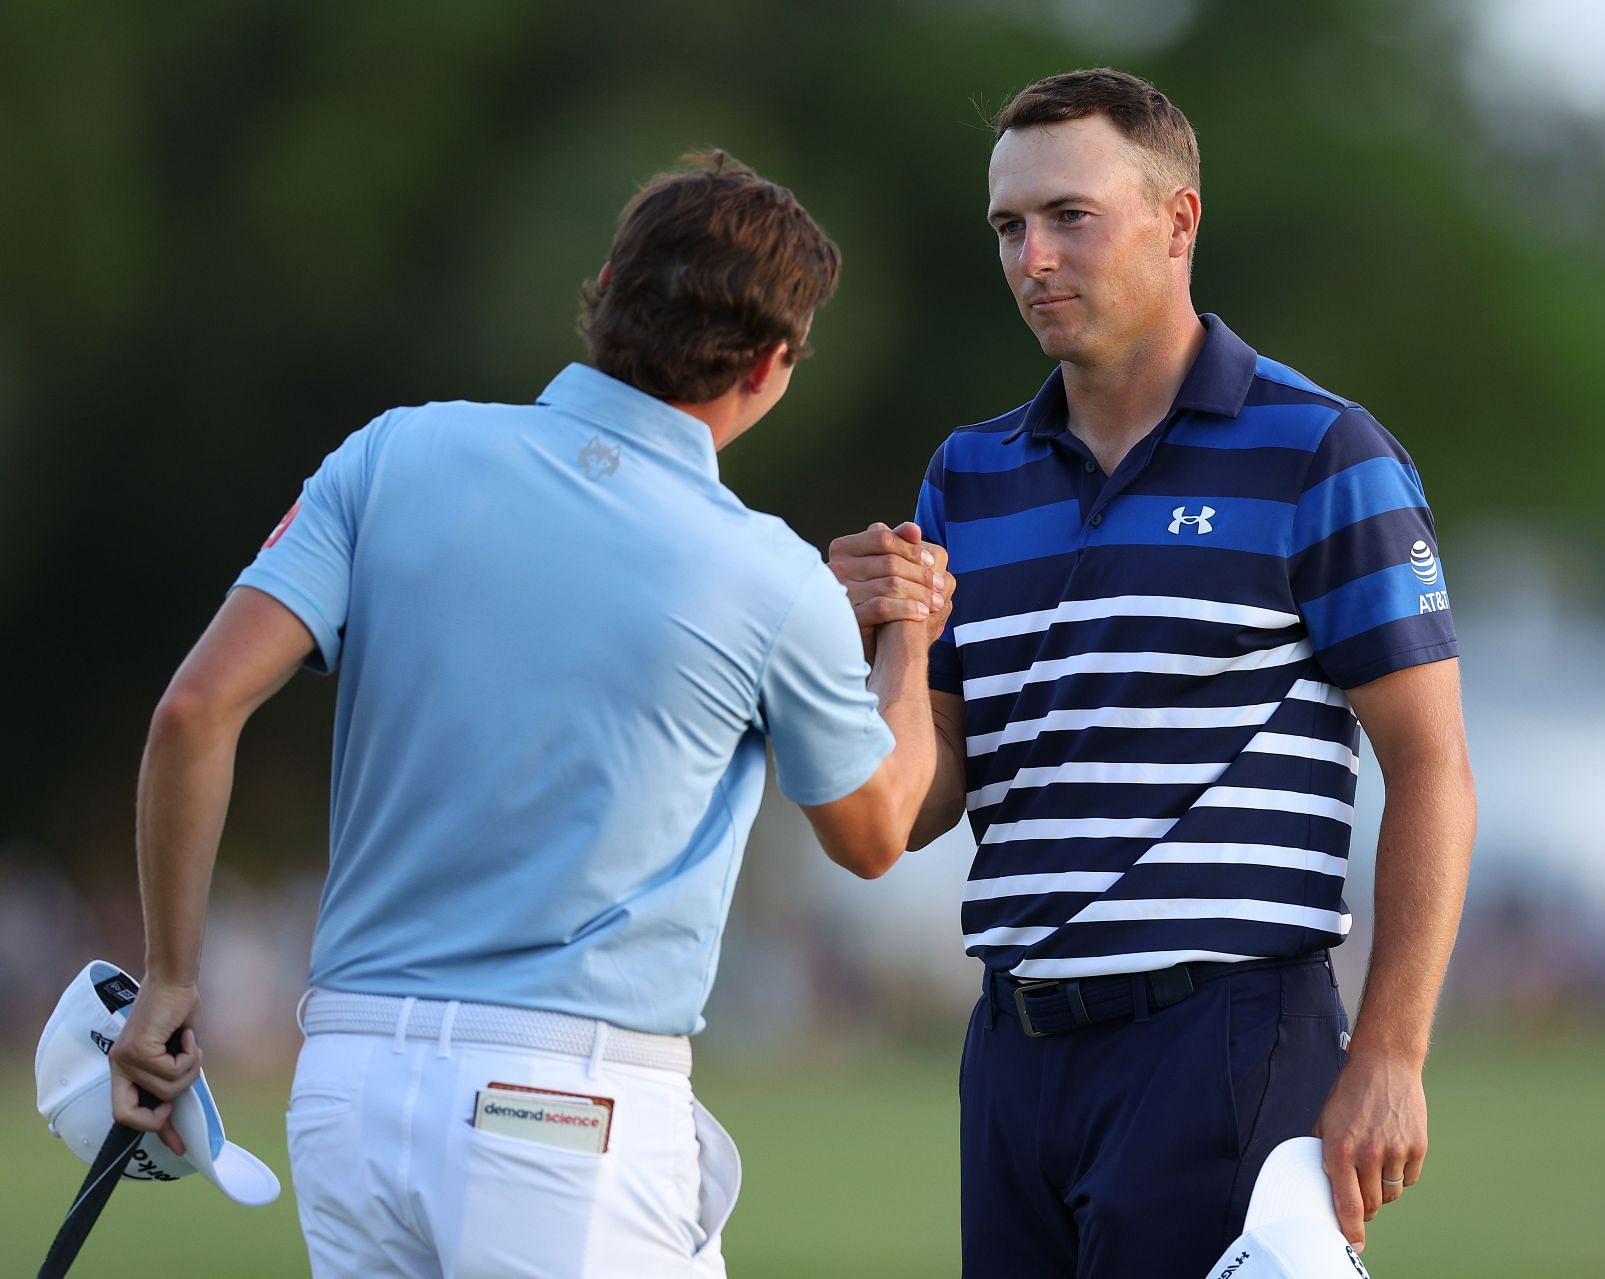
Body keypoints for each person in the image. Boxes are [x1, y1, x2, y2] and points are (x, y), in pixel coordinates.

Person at [106, 150, 942, 1278]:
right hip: (563, 1107)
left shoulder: (393, 452)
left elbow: (194, 712)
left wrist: (169, 978)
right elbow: (878, 828)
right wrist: (910, 635)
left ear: (604, 284)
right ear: (773, 360)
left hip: (347, 1083)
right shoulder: (770, 575)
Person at [828, 69, 1476, 1276]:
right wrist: (894, 644)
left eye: (1070, 216)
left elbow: (1432, 766)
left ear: (1179, 221)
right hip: (1014, 1048)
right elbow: (920, 804)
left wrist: (1391, 1054)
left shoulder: (1322, 451)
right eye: (1009, 227)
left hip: (1222, 1039)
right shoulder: (967, 477)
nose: (1033, 258)